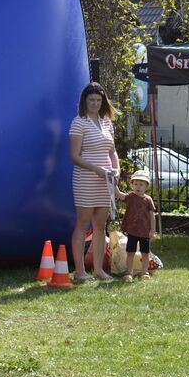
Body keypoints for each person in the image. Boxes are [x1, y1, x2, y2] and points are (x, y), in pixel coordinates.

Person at [68, 83, 119, 282]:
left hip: (105, 181)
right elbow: (74, 156)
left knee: (100, 226)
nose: (95, 104)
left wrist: (117, 169)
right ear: (85, 101)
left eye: (98, 100)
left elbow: (112, 151)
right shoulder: (78, 122)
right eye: (91, 100)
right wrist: (95, 169)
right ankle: (80, 272)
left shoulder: (107, 122)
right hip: (86, 179)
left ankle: (99, 270)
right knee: (82, 224)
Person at [115, 169, 156, 282]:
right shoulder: (130, 197)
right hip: (132, 231)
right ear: (132, 185)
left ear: (146, 186)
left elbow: (152, 216)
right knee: (130, 252)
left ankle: (144, 272)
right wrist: (114, 185)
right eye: (135, 184)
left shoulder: (148, 200)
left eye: (141, 184)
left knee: (145, 253)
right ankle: (129, 272)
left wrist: (152, 230)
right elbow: (120, 195)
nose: (138, 187)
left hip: (145, 232)